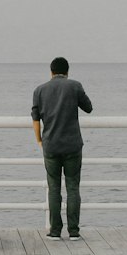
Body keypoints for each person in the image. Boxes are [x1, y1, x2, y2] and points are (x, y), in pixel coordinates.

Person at [31, 57, 93, 239]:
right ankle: (73, 231)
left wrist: (39, 140)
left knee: (54, 187)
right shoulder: (75, 86)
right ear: (67, 72)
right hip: (72, 145)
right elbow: (88, 108)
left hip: (51, 144)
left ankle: (55, 231)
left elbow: (35, 119)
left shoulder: (39, 90)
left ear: (51, 72)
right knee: (73, 187)